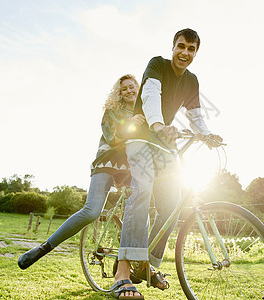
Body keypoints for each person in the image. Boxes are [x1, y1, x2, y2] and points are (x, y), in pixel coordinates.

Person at [111, 28, 222, 299]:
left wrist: (207, 135)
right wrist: (158, 124)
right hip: (140, 138)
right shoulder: (157, 65)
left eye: (191, 49)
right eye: (181, 46)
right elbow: (150, 96)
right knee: (143, 190)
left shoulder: (191, 81)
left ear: (196, 53)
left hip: (163, 143)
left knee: (173, 203)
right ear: (173, 47)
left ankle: (147, 263)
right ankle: (122, 273)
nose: (185, 53)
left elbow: (195, 115)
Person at [18, 74, 145, 270]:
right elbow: (112, 138)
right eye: (124, 89)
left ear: (139, 87)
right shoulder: (112, 111)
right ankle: (44, 247)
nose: (129, 91)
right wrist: (132, 124)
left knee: (140, 209)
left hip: (132, 166)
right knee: (92, 211)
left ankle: (127, 259)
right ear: (119, 93)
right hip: (108, 162)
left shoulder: (146, 110)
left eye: (132, 87)